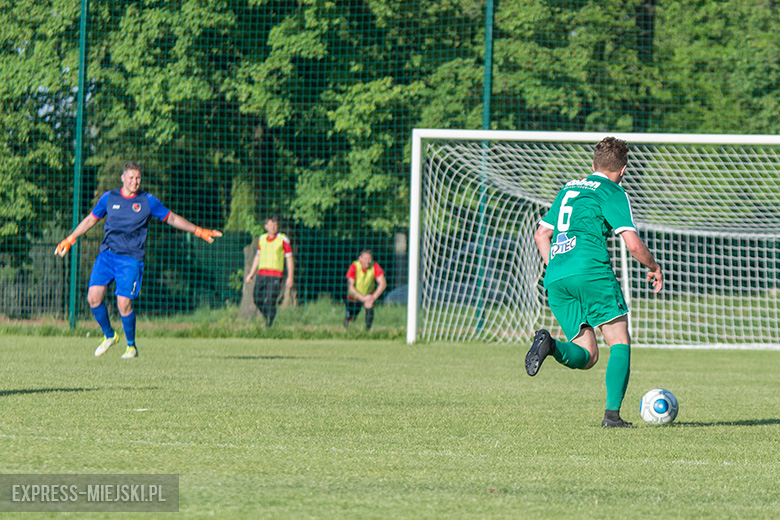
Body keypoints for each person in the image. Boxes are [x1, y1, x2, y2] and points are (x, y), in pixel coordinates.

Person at [526, 137, 663, 428]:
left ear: (593, 165)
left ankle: (550, 346)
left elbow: (541, 235)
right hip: (592, 272)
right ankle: (612, 416)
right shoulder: (614, 192)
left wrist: (559, 268)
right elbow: (633, 244)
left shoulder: (568, 188)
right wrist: (654, 267)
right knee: (619, 342)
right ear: (623, 169)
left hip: (557, 277)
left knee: (587, 356)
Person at [55, 161, 222, 358]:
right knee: (93, 298)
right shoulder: (109, 198)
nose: (135, 181)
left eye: (138, 178)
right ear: (123, 178)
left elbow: (172, 218)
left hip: (131, 260)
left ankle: (131, 346)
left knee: (123, 303)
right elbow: (91, 219)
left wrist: (198, 230)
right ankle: (110, 336)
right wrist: (71, 238)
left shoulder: (147, 201)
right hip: (107, 255)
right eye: (131, 178)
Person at [245, 216, 294, 328]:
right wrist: (251, 274)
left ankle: (269, 323)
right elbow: (257, 257)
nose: (273, 227)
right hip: (262, 274)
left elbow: (289, 258)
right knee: (257, 298)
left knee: (271, 299)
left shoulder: (283, 240)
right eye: (271, 225)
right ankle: (268, 316)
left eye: (275, 225)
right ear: (266, 226)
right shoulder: (262, 239)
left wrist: (290, 277)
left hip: (275, 275)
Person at [344, 249, 387, 331]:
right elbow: (350, 287)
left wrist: (374, 296)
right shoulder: (354, 266)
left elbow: (383, 283)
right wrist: (361, 297)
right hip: (354, 296)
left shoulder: (374, 266)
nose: (368, 261)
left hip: (367, 295)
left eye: (370, 259)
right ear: (360, 258)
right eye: (366, 259)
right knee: (352, 317)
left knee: (369, 304)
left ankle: (367, 331)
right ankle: (347, 328)